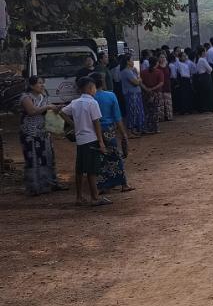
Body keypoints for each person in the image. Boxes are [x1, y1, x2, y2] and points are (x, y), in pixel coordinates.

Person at [59, 76, 110, 206]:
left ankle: (79, 197)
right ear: (90, 88)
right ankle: (95, 197)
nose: (95, 90)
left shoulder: (75, 102)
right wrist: (101, 142)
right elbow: (96, 123)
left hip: (80, 139)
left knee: (80, 169)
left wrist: (73, 124)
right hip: (91, 138)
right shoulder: (92, 103)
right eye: (94, 87)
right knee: (92, 170)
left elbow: (62, 112)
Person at [18, 76, 63, 195]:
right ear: (31, 85)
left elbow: (47, 110)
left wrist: (56, 109)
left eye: (43, 83)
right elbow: (32, 111)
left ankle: (49, 184)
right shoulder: (26, 97)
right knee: (33, 158)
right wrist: (48, 106)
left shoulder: (43, 96)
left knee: (47, 157)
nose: (42, 85)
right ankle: (34, 187)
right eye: (39, 83)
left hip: (43, 132)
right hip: (30, 133)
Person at [91, 73, 133, 193]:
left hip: (94, 131)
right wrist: (124, 134)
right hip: (109, 129)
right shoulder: (110, 95)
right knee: (115, 155)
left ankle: (104, 185)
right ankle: (123, 184)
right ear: (102, 82)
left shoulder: (90, 99)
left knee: (99, 157)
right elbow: (117, 117)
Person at [119, 55, 145, 135]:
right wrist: (139, 79)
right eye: (131, 60)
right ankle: (131, 130)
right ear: (127, 62)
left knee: (136, 111)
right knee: (132, 111)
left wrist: (138, 79)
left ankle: (136, 129)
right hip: (131, 94)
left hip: (134, 93)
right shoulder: (126, 71)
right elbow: (136, 82)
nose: (133, 61)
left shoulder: (131, 71)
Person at [140, 57, 163, 133]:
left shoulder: (143, 72)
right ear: (156, 63)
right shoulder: (159, 72)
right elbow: (161, 83)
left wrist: (147, 89)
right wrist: (153, 88)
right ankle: (155, 128)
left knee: (146, 111)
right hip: (156, 93)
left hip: (145, 93)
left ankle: (147, 128)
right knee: (155, 111)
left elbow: (140, 82)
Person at [193, 47, 213, 112]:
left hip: (201, 77)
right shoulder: (202, 60)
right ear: (203, 52)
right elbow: (210, 69)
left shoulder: (198, 60)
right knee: (209, 92)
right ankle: (209, 107)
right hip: (205, 77)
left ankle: (204, 107)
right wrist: (209, 70)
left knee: (204, 92)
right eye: (205, 51)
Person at [156, 54, 173, 122]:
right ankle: (161, 117)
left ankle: (169, 116)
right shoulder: (157, 67)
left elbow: (170, 75)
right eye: (161, 57)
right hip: (160, 87)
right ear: (159, 59)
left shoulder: (168, 66)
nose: (162, 58)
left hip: (167, 86)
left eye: (164, 57)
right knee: (160, 103)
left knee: (168, 102)